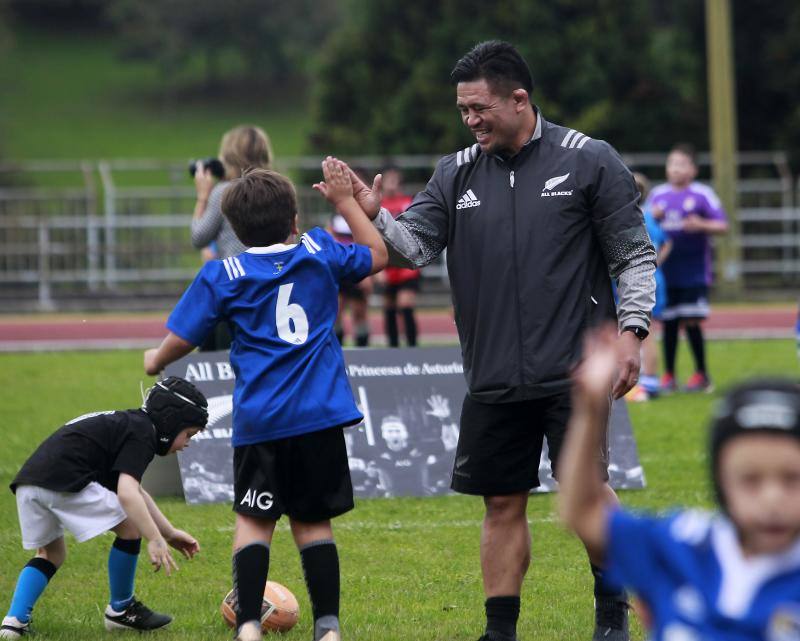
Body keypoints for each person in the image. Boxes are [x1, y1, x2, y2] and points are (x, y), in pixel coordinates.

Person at [345, 40, 656, 641]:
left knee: (589, 496)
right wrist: (374, 213)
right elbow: (414, 247)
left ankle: (611, 617)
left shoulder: (590, 161)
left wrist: (632, 332)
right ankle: (499, 631)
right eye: (463, 110)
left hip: (574, 370)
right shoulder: (453, 171)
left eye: (480, 107)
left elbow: (633, 257)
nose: (470, 119)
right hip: (491, 373)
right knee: (501, 503)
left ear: (520, 99)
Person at [143, 161, 388, 641]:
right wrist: (344, 203)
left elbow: (182, 338)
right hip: (319, 417)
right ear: (294, 220)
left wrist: (155, 359)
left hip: (262, 420)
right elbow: (376, 254)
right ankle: (329, 627)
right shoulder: (317, 249)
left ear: (233, 227)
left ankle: (250, 626)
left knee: (254, 523)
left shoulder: (223, 274)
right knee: (314, 523)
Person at [559, 327, 800, 641]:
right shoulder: (682, 546)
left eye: (791, 479)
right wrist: (589, 411)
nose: (772, 498)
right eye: (751, 481)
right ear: (721, 481)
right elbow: (581, 512)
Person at [1, 377, 207, 639]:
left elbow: (138, 492)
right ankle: (121, 610)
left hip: (30, 483)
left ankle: (13, 623)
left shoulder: (127, 424)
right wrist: (154, 538)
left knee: (50, 554)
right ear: (170, 421)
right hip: (65, 480)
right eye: (188, 434)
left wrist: (169, 532)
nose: (187, 443)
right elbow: (128, 493)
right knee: (131, 526)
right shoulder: (143, 432)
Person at [647, 143, 728, 393]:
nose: (675, 169)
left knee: (692, 321)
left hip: (694, 272)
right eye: (672, 164)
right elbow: (644, 223)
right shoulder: (657, 196)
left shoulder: (702, 193)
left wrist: (702, 224)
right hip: (666, 274)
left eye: (681, 164)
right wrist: (653, 216)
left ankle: (701, 374)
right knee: (669, 323)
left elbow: (723, 225)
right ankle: (669, 375)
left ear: (693, 169)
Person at [191, 124, 274, 351]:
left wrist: (202, 197)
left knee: (220, 353)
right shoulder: (276, 188)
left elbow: (199, 236)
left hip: (235, 286)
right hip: (271, 284)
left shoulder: (225, 191)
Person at [625, 173, 673, 402]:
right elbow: (667, 242)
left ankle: (650, 383)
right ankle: (646, 381)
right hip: (654, 277)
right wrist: (657, 263)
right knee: (645, 331)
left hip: (642, 281)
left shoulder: (632, 218)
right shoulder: (650, 217)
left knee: (646, 332)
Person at [380, 165, 421, 347]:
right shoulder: (378, 205)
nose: (390, 184)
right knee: (389, 307)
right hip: (386, 265)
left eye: (393, 179)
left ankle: (412, 349)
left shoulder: (408, 203)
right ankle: (393, 352)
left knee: (405, 304)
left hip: (406, 265)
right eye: (387, 179)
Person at [328, 210, 373, 347]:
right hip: (339, 269)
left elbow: (369, 244)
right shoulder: (334, 218)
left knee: (359, 311)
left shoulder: (360, 217)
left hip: (357, 267)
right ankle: (338, 349)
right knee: (336, 311)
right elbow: (329, 240)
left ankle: (363, 351)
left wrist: (369, 274)